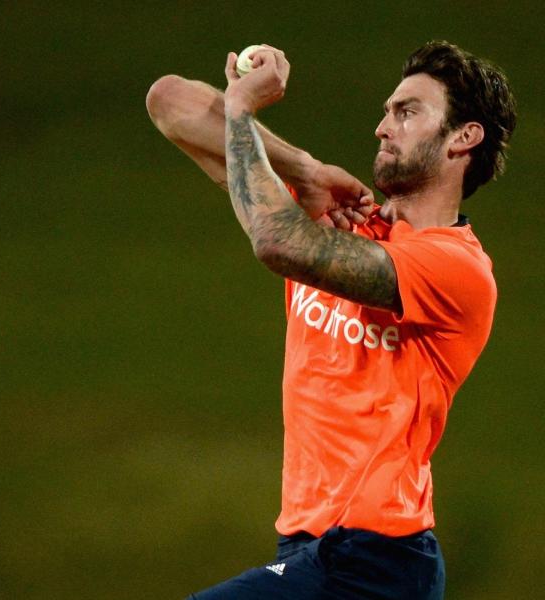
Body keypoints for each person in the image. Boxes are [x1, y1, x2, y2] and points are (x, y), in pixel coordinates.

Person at [146, 40, 517, 599]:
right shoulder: (348, 220)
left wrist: (244, 111)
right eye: (388, 110)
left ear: (463, 138)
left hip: (375, 560)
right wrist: (305, 167)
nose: (382, 127)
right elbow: (169, 101)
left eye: (407, 111)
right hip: (309, 551)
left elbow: (277, 241)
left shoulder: (455, 268)